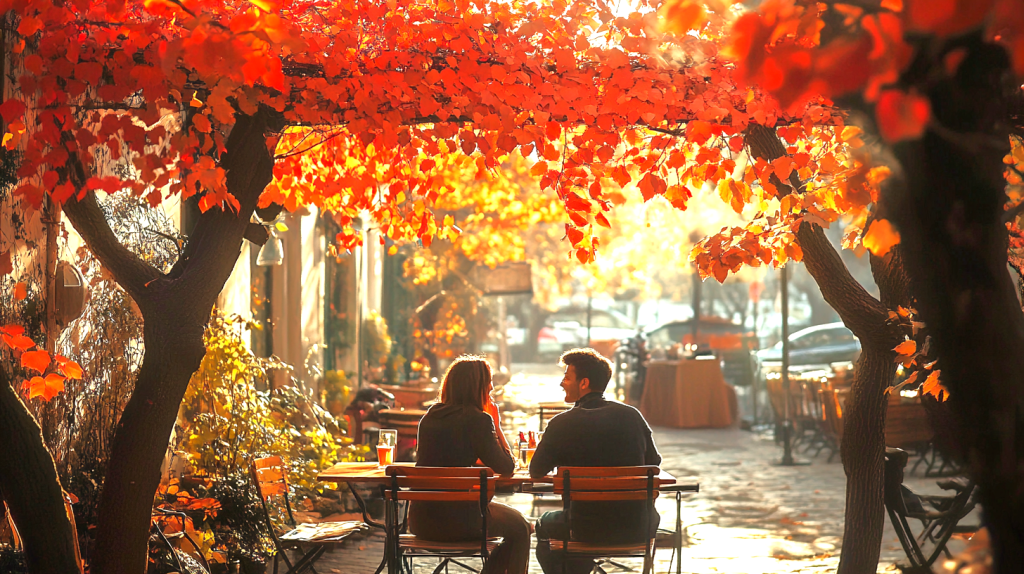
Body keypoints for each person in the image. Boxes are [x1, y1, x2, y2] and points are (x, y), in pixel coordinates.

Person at [529, 348, 662, 574]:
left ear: (584, 383)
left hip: (582, 529)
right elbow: (654, 462)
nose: (562, 383)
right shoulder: (632, 416)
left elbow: (536, 471)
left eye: (567, 377)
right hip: (638, 526)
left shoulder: (562, 423)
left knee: (544, 524)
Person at [409, 356, 531, 574]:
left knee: (516, 524)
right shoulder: (478, 420)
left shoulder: (429, 417)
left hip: (422, 521)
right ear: (478, 389)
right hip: (462, 522)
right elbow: (506, 467)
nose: (490, 394)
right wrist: (496, 423)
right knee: (521, 526)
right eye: (489, 390)